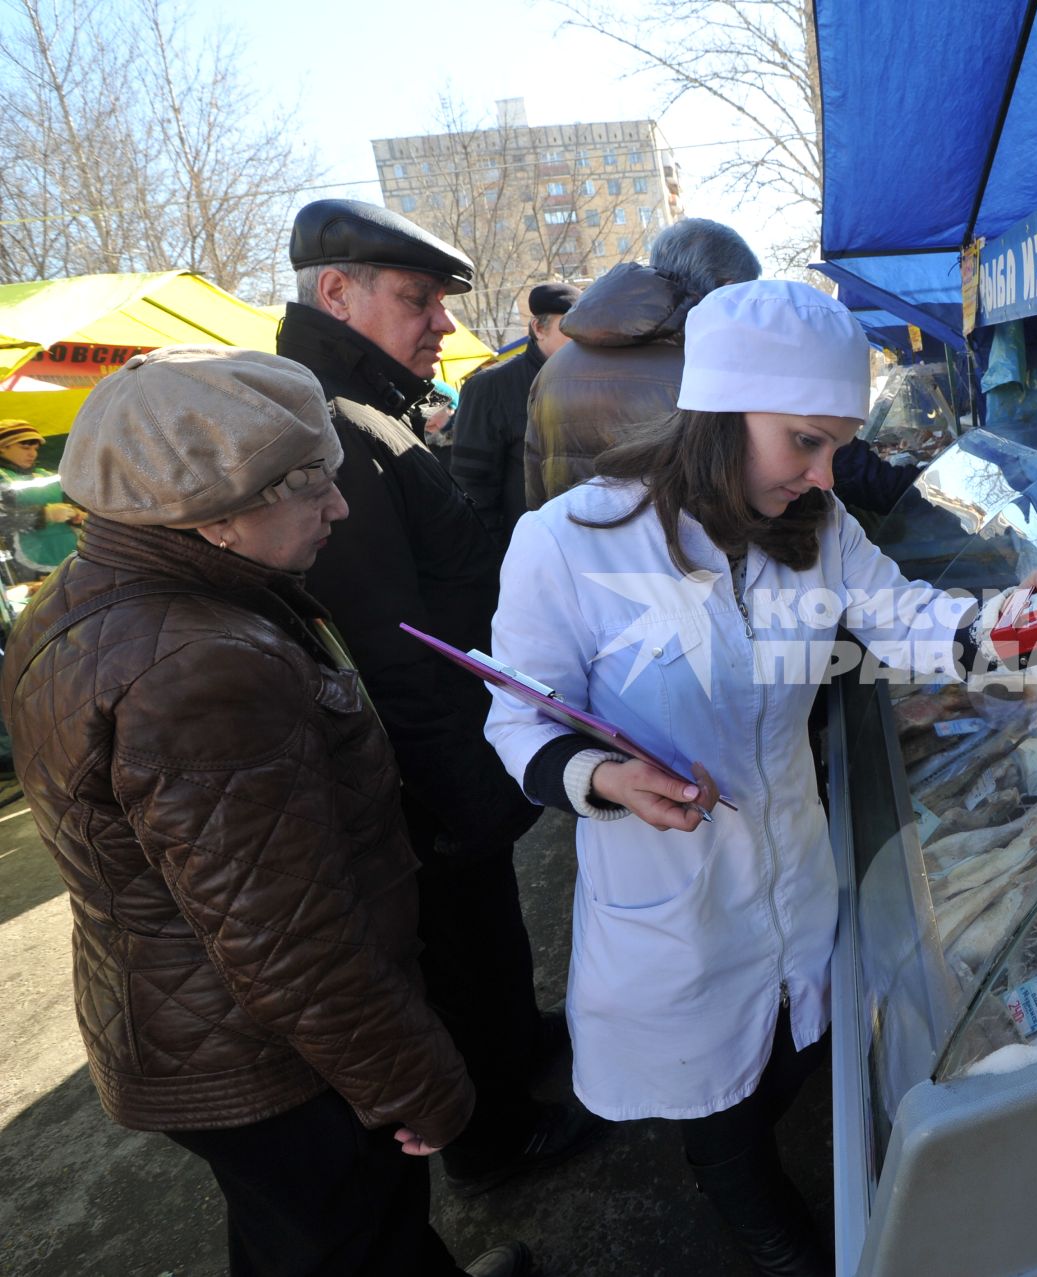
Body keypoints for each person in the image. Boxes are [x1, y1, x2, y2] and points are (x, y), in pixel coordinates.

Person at [485, 280, 1037, 1275]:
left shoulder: (818, 529)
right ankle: (763, 1220)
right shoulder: (571, 542)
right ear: (718, 413)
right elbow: (518, 714)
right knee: (718, 1104)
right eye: (806, 441)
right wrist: (604, 777)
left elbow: (910, 620)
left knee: (791, 1050)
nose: (827, 472)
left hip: (793, 858)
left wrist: (1013, 622)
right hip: (674, 887)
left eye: (837, 443)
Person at [0, 346, 531, 1277]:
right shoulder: (200, 670)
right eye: (311, 484)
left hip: (195, 1024)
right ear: (212, 515)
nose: (339, 505)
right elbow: (289, 939)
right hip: (273, 1057)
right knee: (346, 1232)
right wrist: (415, 1078)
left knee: (314, 1231)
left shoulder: (98, 594)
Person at [277, 198, 600, 1201]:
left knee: (488, 934)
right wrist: (464, 799)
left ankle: (517, 1045)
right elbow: (391, 651)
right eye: (418, 299)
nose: (445, 323)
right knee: (455, 945)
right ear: (338, 293)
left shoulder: (368, 409)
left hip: (461, 752)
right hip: (431, 775)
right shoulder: (333, 424)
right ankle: (494, 1132)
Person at [523, 217, 761, 510]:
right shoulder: (711, 368)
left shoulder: (552, 370)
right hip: (684, 553)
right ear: (729, 288)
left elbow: (537, 490)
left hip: (576, 547)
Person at [451, 282, 578, 553]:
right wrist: (499, 562)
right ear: (538, 328)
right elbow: (472, 487)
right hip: (526, 552)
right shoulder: (490, 387)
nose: (579, 336)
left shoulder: (589, 379)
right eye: (568, 326)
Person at [0, 420, 86, 576]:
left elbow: (68, 501)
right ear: (2, 448)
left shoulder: (46, 474)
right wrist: (44, 514)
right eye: (25, 447)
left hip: (69, 552)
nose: (32, 453)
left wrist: (75, 513)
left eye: (35, 448)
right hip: (24, 565)